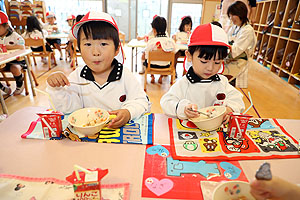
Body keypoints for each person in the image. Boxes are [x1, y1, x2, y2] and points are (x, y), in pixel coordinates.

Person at [46, 11, 151, 129]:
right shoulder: (77, 76)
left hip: (118, 135)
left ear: (117, 49)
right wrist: (57, 88)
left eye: (103, 44)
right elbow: (68, 109)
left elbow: (141, 101)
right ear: (79, 48)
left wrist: (128, 112)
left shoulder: (124, 75)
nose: (95, 52)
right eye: (88, 44)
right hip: (88, 138)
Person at [160, 23, 245, 122]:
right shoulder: (184, 84)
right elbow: (166, 102)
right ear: (189, 55)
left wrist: (230, 109)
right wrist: (183, 108)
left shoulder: (222, 82)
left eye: (217, 62)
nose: (210, 68)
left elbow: (237, 99)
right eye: (204, 61)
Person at [223, 1, 256, 88]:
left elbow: (236, 50)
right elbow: (227, 39)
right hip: (230, 58)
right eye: (230, 16)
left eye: (232, 15)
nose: (231, 18)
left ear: (240, 14)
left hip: (238, 61)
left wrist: (225, 46)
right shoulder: (235, 27)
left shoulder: (248, 30)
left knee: (220, 74)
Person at [140, 15, 176, 84]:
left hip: (152, 66)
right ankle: (161, 77)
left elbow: (147, 57)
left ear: (154, 30)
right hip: (166, 66)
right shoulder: (171, 42)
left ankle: (152, 76)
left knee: (146, 58)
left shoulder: (151, 42)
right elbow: (174, 52)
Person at [0, 11, 25, 96]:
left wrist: (8, 47)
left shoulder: (14, 35)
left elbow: (22, 46)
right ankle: (2, 87)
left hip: (16, 60)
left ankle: (19, 85)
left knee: (14, 68)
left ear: (6, 26)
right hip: (3, 61)